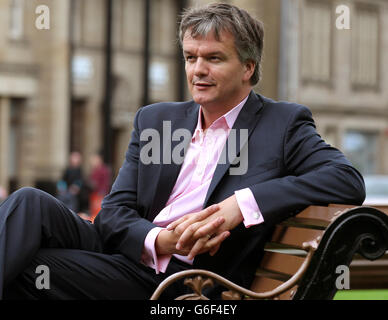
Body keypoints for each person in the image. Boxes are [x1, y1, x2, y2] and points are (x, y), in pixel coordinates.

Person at [0, 3, 365, 300]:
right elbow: (114, 212)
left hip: (182, 280)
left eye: (214, 59)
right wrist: (158, 239)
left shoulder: (281, 124)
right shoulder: (158, 120)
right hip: (130, 248)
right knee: (29, 201)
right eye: (191, 58)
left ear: (248, 68)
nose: (198, 70)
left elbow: (346, 179)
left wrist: (241, 205)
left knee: (30, 270)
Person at [87, 153, 111, 221]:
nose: (92, 162)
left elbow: (106, 182)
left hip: (100, 194)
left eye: (94, 160)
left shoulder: (104, 169)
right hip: (94, 194)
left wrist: (102, 192)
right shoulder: (94, 170)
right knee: (93, 211)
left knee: (98, 212)